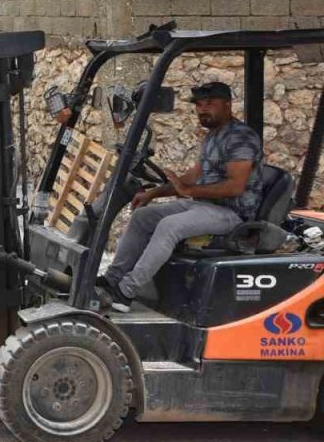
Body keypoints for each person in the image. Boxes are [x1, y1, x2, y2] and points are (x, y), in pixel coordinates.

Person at [98, 81, 263, 312]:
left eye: (210, 104)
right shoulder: (214, 136)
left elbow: (235, 187)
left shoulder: (241, 137)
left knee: (169, 226)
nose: (203, 110)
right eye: (199, 105)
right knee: (143, 216)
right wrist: (153, 193)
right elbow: (189, 180)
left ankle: (126, 291)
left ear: (227, 105)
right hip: (205, 207)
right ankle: (112, 279)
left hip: (233, 214)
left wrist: (189, 192)